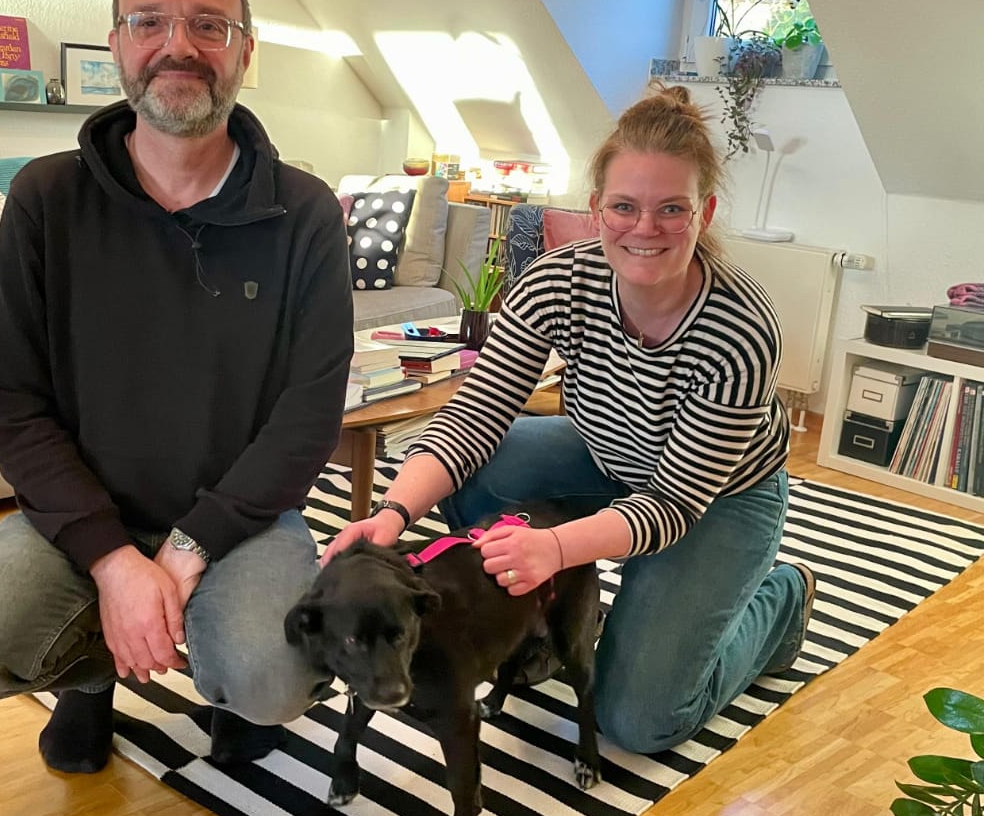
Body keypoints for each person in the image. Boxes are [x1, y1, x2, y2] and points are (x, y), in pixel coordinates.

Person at [0, 0, 354, 774]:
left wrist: (187, 550)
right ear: (116, 44)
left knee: (270, 679)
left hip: (242, 519)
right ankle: (90, 678)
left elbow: (308, 417)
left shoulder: (304, 214)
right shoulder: (46, 198)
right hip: (85, 510)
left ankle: (226, 685)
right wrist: (115, 563)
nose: (177, 46)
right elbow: (12, 398)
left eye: (208, 25)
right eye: (149, 22)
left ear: (244, 51)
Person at [324, 85, 816, 755]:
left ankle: (781, 602)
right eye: (625, 206)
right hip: (605, 455)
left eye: (671, 209)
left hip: (718, 497)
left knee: (641, 721)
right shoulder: (556, 282)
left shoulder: (740, 328)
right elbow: (474, 416)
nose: (644, 229)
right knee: (481, 469)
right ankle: (546, 616)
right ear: (596, 209)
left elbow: (673, 504)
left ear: (703, 213)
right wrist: (391, 516)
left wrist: (556, 548)